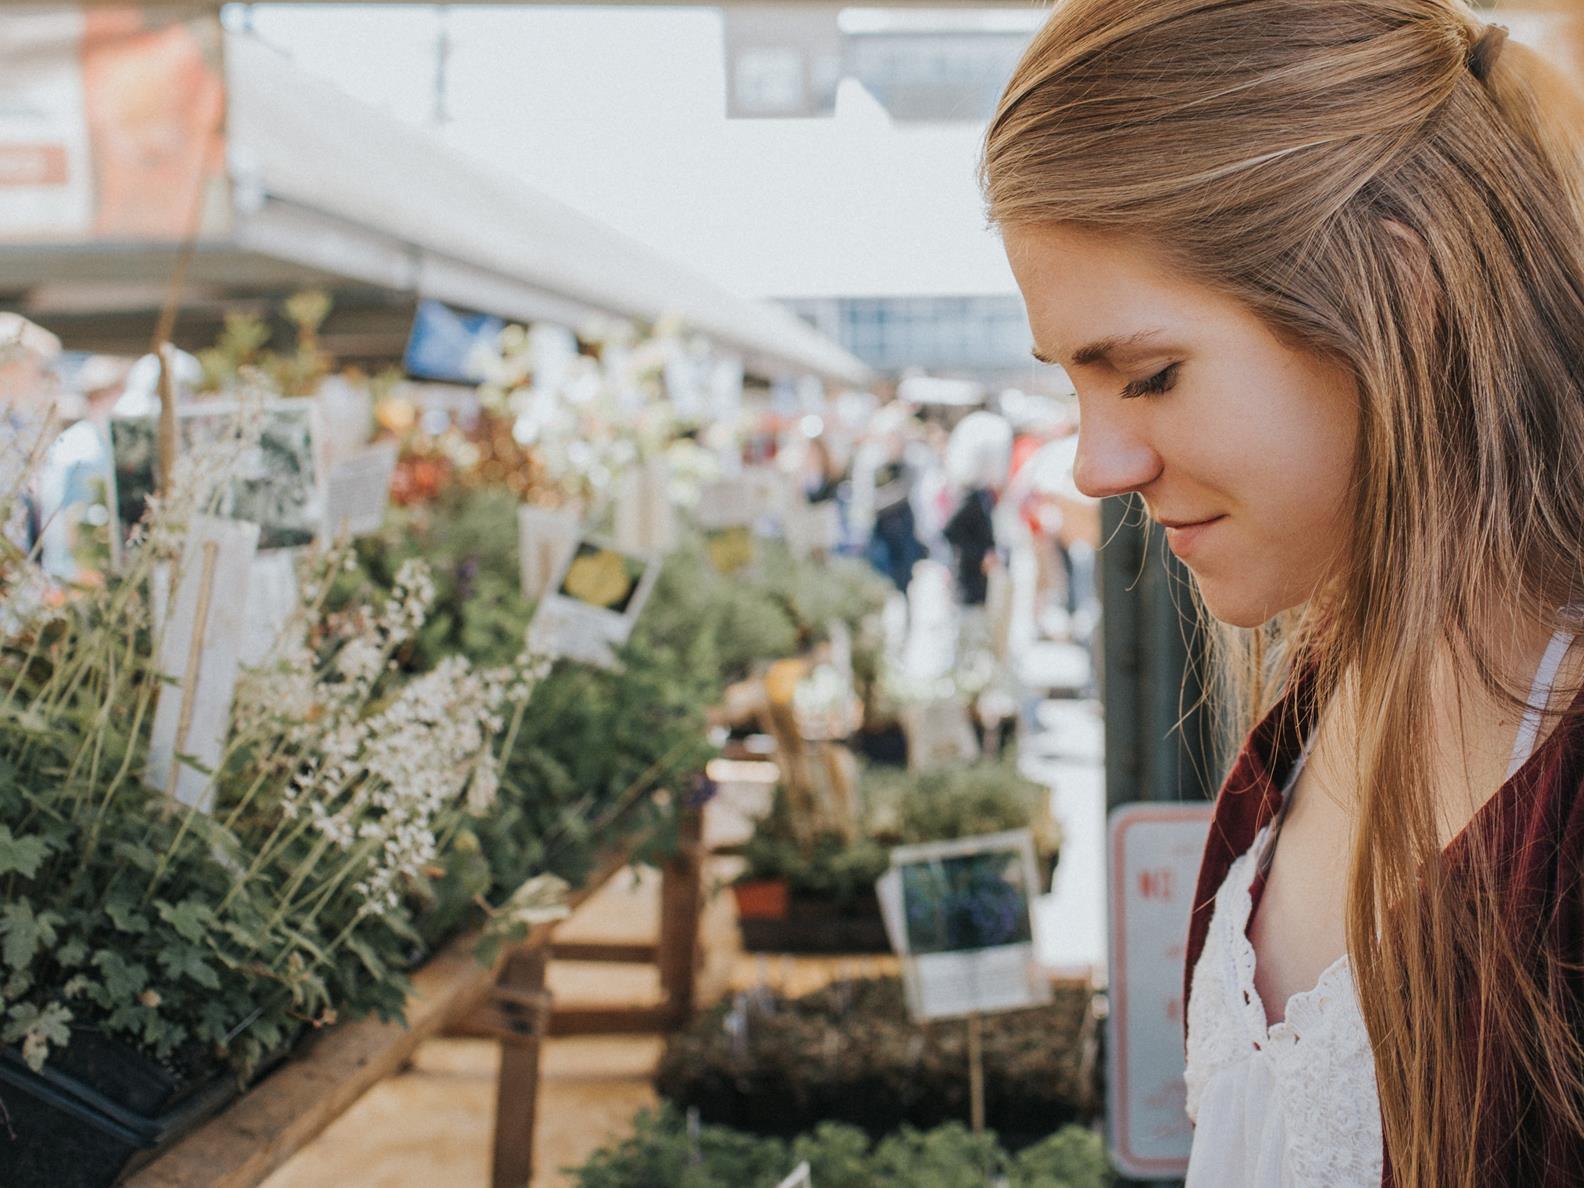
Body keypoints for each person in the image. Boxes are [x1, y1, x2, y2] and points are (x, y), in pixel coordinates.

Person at [982, 2, 1584, 1184]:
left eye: (1149, 376)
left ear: (1401, 289)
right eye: (1075, 386)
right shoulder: (1325, 688)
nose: (1096, 465)